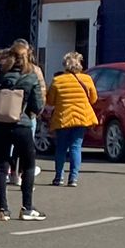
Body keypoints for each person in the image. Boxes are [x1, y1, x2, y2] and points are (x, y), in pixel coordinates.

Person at [0, 40, 45, 223]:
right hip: (22, 124)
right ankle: (27, 207)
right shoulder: (30, 78)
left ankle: (3, 209)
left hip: (0, 125)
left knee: (2, 166)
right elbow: (37, 105)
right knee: (28, 164)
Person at [47, 51, 97, 188]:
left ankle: (59, 177)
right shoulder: (87, 79)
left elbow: (50, 101)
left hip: (63, 118)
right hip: (81, 118)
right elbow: (93, 99)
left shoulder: (58, 80)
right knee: (76, 147)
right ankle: (73, 178)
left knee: (61, 148)